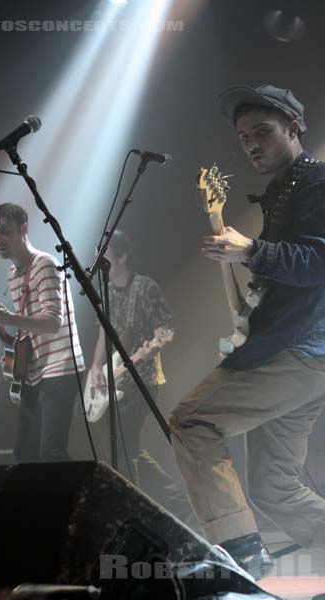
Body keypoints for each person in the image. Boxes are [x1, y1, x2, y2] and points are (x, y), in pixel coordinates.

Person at [170, 84, 325, 580]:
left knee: (192, 421)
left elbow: (319, 261)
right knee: (275, 486)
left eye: (263, 131)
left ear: (294, 129)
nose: (252, 144)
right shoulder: (283, 192)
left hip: (297, 352)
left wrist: (252, 251)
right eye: (243, 138)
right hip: (305, 357)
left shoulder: (316, 183)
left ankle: (238, 552)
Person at [90, 231, 193, 524]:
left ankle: (132, 514)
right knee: (126, 445)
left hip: (144, 378)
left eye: (106, 254)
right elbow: (103, 335)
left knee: (125, 444)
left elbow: (165, 330)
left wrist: (145, 352)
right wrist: (96, 366)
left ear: (122, 257)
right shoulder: (108, 293)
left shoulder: (145, 287)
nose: (102, 261)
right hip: (117, 377)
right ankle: (177, 502)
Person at [0, 203, 85, 462]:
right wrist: (8, 331)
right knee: (25, 455)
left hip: (61, 368)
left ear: (24, 229)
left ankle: (83, 501)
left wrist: (7, 317)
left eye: (5, 231)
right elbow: (30, 326)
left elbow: (51, 322)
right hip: (37, 372)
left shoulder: (45, 265)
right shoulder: (14, 274)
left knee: (51, 452)